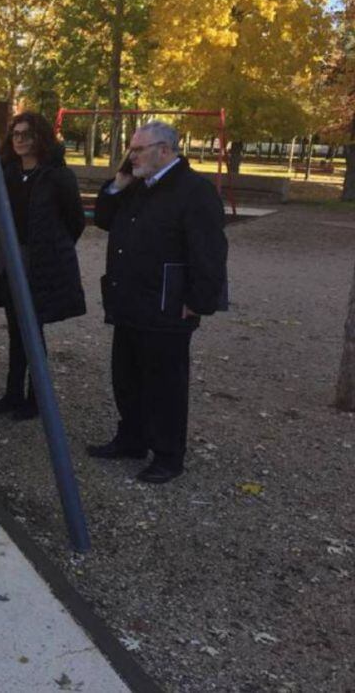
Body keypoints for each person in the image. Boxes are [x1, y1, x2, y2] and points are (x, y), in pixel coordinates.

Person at [90, 120, 228, 484]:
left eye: (138, 150)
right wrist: (118, 185)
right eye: (131, 149)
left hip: (167, 304)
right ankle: (132, 437)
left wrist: (198, 300)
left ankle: (168, 454)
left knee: (165, 383)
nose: (131, 156)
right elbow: (102, 219)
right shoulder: (137, 186)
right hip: (130, 300)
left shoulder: (193, 190)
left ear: (164, 151)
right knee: (127, 375)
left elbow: (209, 251)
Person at [0, 111, 86, 420]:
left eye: (27, 135)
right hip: (9, 258)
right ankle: (13, 393)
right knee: (16, 329)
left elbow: (74, 221)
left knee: (33, 329)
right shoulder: (8, 172)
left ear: (40, 138)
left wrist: (50, 248)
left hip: (38, 260)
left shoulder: (56, 176)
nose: (20, 140)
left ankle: (35, 396)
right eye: (15, 134)